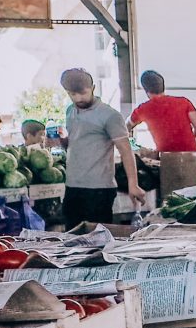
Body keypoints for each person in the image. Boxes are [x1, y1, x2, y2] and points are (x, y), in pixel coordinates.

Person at [59, 68, 145, 225]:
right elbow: (76, 144)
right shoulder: (70, 111)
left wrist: (133, 184)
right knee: (71, 238)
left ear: (93, 88)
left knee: (97, 239)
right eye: (72, 94)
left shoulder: (110, 115)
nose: (78, 98)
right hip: (72, 185)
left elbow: (126, 151)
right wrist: (63, 142)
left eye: (83, 93)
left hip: (99, 189)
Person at [130, 72, 196, 153]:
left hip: (166, 157)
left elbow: (124, 127)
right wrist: (189, 138)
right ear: (163, 86)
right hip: (193, 155)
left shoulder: (142, 109)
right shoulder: (184, 102)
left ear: (146, 90)